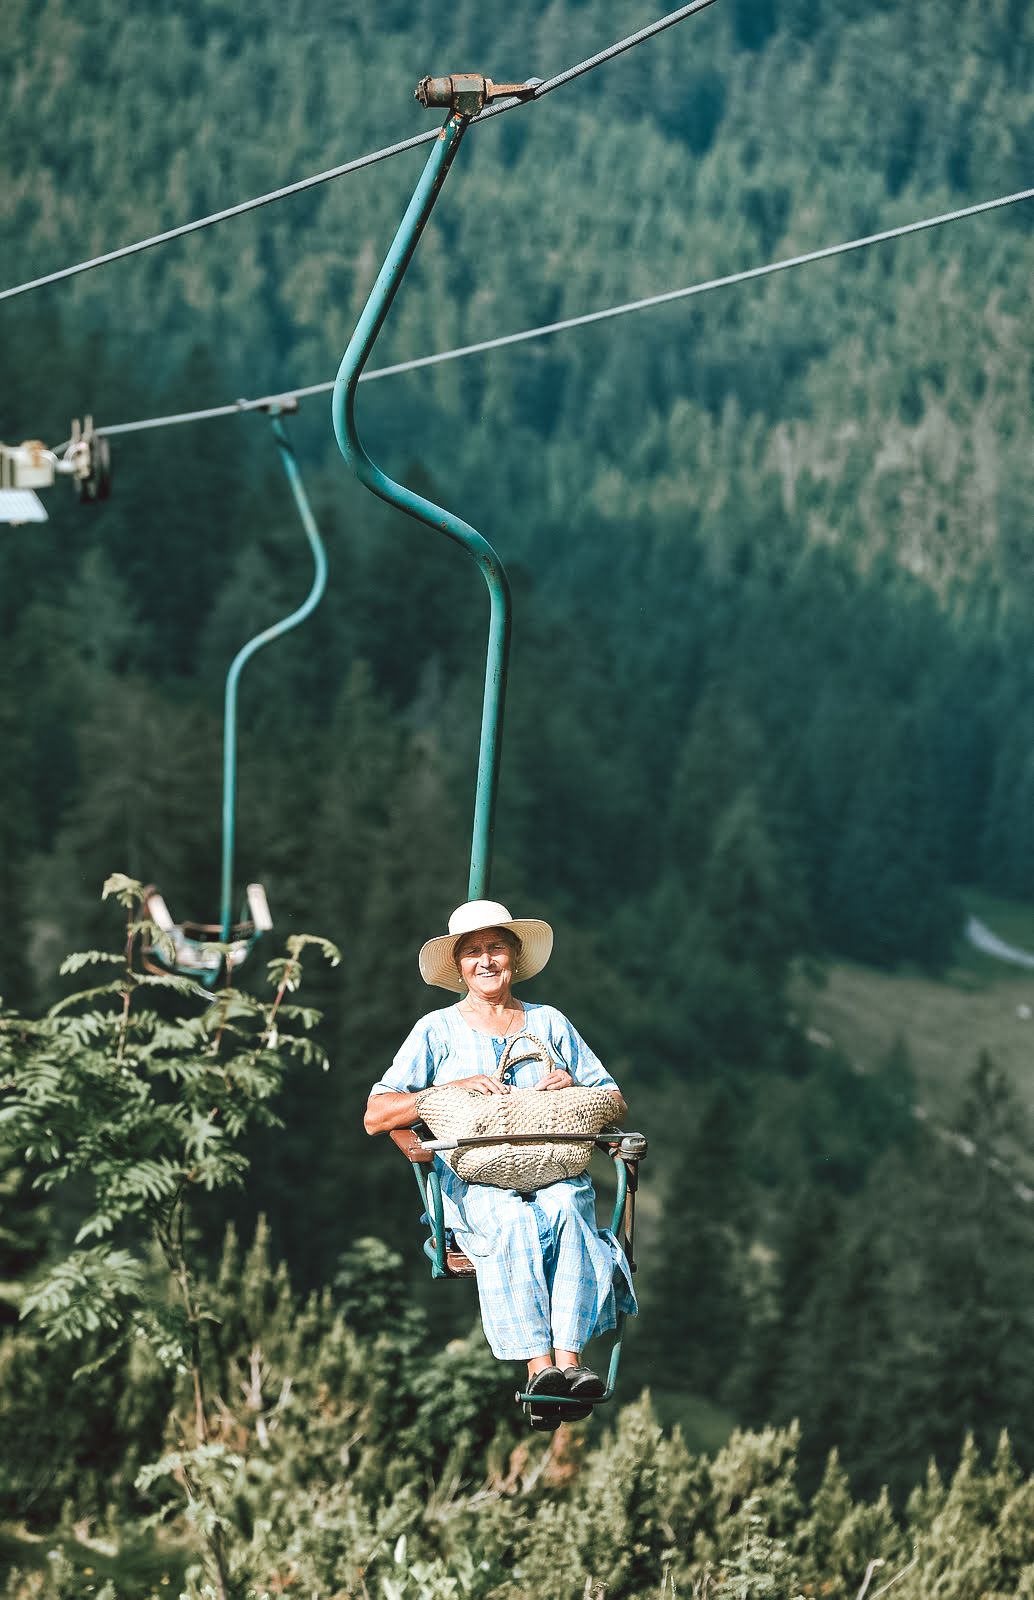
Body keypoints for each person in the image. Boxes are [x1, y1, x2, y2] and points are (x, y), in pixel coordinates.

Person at [364, 899, 637, 1429]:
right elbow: (377, 1114)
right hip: (476, 1181)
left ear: (514, 956)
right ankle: (541, 1371)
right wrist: (445, 1091)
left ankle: (571, 1365)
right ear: (459, 966)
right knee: (512, 1221)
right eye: (472, 953)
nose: (485, 961)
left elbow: (611, 1097)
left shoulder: (548, 1022)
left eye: (495, 948)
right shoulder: (436, 1031)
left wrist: (572, 1084)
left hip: (551, 1168)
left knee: (567, 1211)